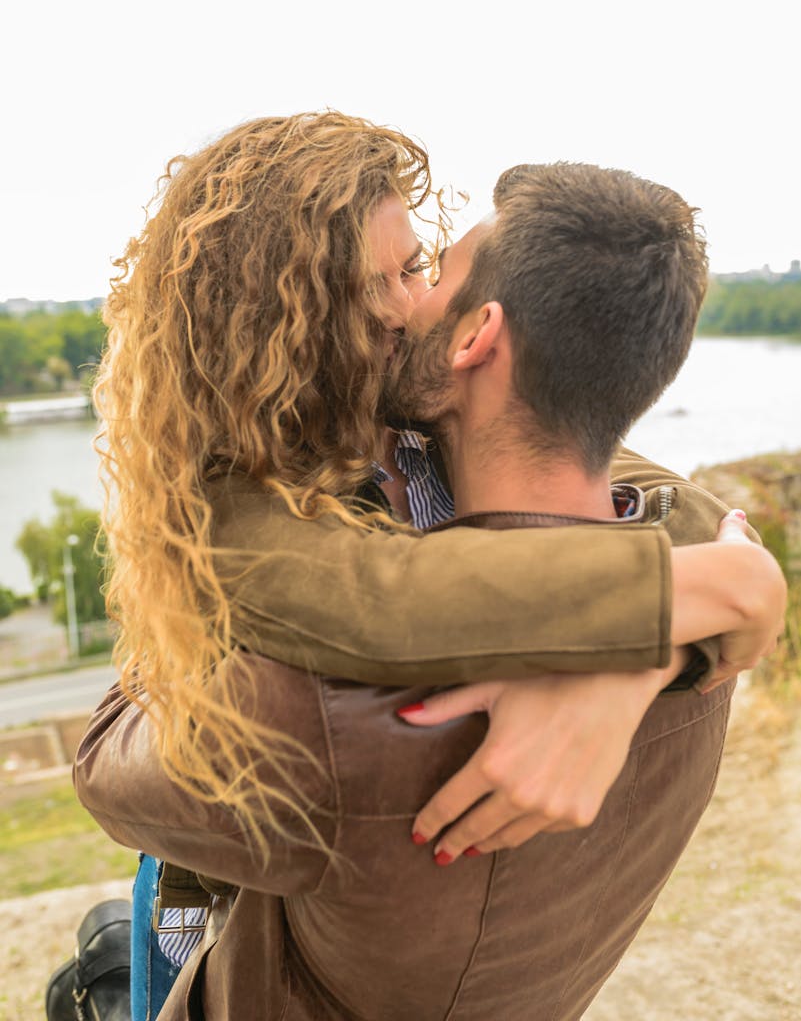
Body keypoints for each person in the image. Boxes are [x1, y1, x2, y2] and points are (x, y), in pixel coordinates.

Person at [75, 149, 785, 1019]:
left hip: (233, 932)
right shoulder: (703, 658)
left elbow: (112, 760)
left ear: (477, 336)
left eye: (422, 269)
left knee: (131, 964)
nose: (409, 305)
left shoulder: (318, 704)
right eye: (383, 280)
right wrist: (704, 601)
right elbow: (633, 494)